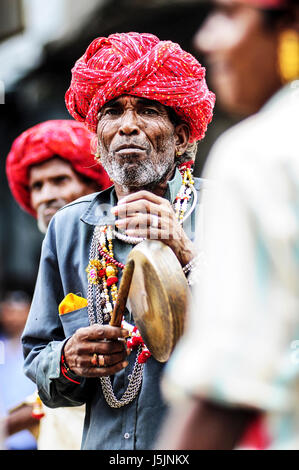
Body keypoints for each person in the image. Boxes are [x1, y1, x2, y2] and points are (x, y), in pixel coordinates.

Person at [21, 32, 215, 450]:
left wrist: (185, 252)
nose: (127, 125)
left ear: (181, 136)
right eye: (112, 111)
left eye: (147, 109)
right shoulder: (70, 227)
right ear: (98, 138)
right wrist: (69, 361)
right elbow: (38, 358)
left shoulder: (224, 207)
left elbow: (270, 339)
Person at [157, 0, 299, 450]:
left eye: (231, 13)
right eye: (114, 113)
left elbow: (225, 384)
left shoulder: (258, 154)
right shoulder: (71, 227)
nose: (206, 37)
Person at [5, 119, 112, 450]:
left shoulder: (113, 253)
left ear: (92, 186)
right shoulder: (50, 258)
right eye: (37, 186)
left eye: (59, 180)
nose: (46, 196)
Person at [0, 291, 37, 450]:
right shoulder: (2, 346)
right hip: (5, 434)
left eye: (18, 312)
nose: (13, 318)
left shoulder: (36, 347)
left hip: (32, 429)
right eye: (9, 312)